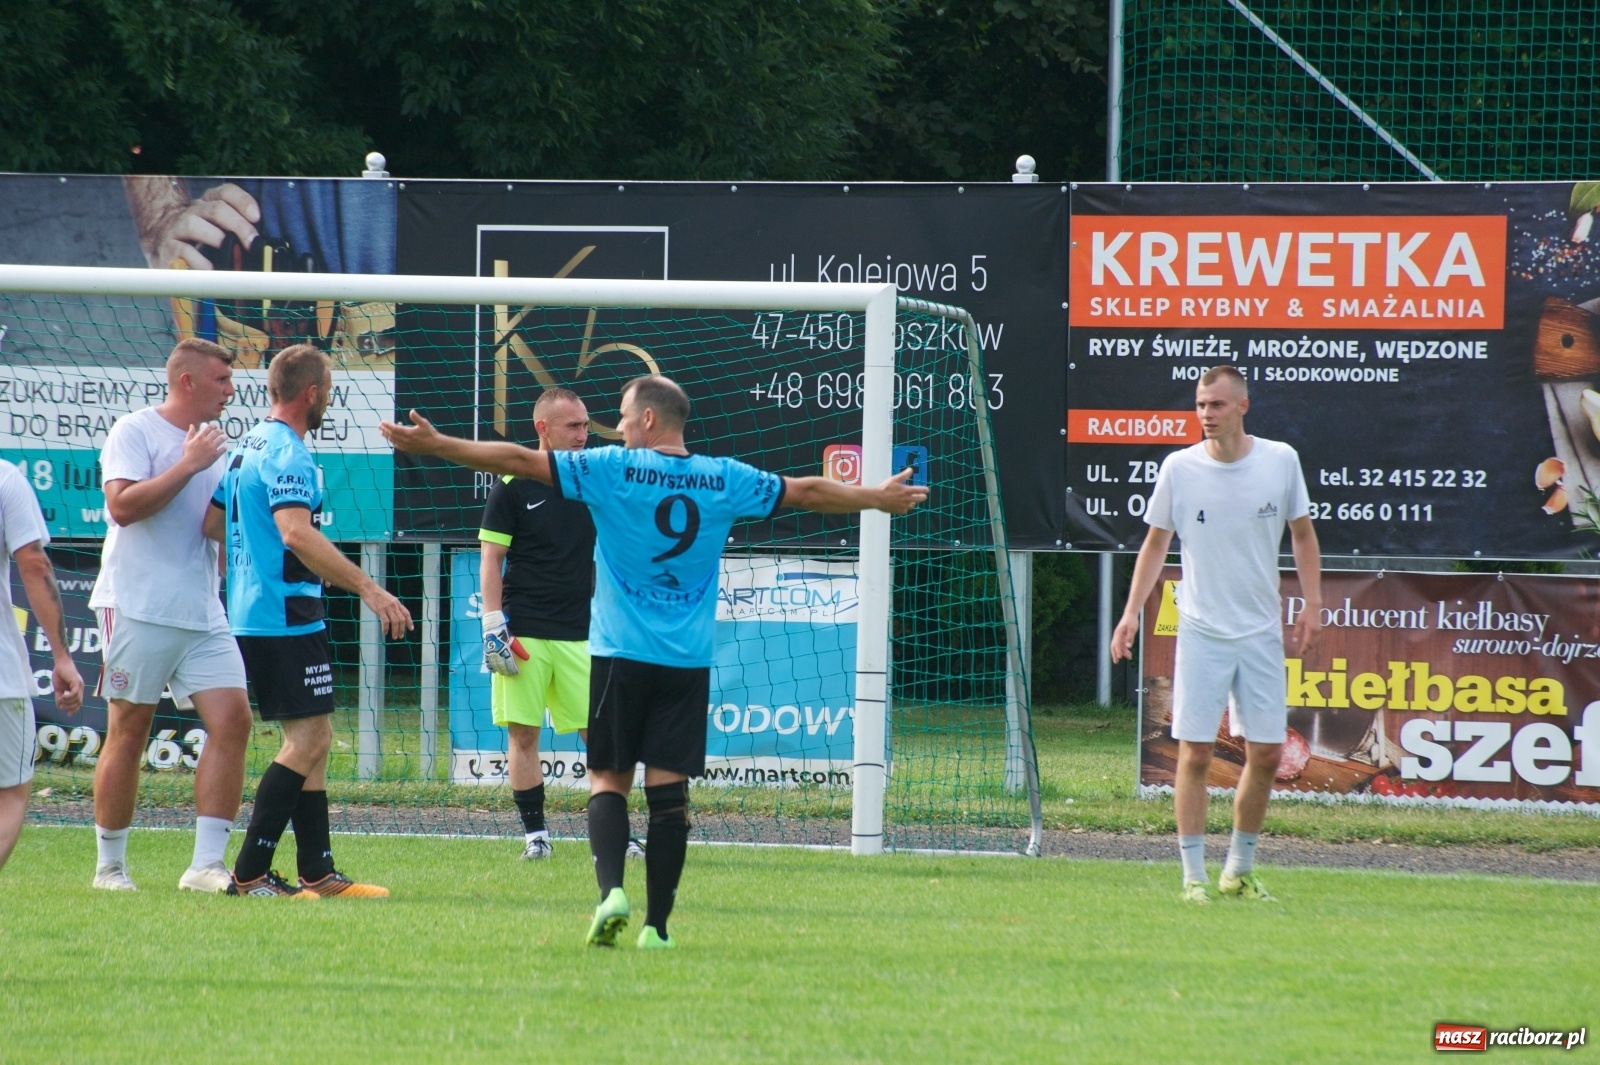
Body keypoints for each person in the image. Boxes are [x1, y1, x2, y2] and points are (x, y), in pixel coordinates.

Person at [381, 375, 928, 949]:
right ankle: (657, 928)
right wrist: (875, 497)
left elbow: (519, 456)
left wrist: (437, 443)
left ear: (647, 420)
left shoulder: (613, 470)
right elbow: (808, 492)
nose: (613, 428)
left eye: (620, 415)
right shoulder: (724, 477)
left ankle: (610, 892)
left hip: (619, 655)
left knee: (607, 780)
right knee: (669, 795)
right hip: (685, 662)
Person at [204, 344, 413, 898]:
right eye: (330, 389)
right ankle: (248, 873)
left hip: (259, 608)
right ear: (312, 394)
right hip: (284, 615)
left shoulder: (247, 445)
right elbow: (296, 531)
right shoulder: (290, 452)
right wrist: (369, 587)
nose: (330, 399)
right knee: (309, 738)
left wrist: (250, 570)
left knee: (312, 738)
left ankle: (317, 872)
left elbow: (212, 522)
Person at [1110, 365, 1322, 904]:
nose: (1206, 414)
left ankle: (1238, 870)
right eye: (1201, 404)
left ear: (1242, 407)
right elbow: (1155, 543)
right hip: (1202, 630)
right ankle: (1193, 878)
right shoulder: (1180, 469)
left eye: (1217, 405)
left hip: (1259, 632)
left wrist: (1313, 603)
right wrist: (1132, 611)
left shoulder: (1280, 461)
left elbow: (1302, 534)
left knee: (1268, 753)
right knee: (1197, 754)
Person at [88, 338, 255, 893]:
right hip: (138, 606)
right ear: (187, 381)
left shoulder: (218, 446)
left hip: (202, 610)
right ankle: (109, 868)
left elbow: (210, 525)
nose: (230, 392)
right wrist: (188, 464)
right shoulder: (134, 431)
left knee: (233, 722)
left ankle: (205, 866)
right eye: (221, 381)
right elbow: (123, 508)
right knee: (129, 730)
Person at [477, 387, 598, 861]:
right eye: (573, 426)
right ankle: (536, 837)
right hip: (524, 632)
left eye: (587, 425)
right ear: (542, 429)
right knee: (523, 735)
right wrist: (493, 624)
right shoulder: (512, 483)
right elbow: (491, 560)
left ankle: (614, 833)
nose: (583, 435)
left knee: (600, 737)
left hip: (581, 632)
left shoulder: (593, 478)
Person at [0, 468, 85, 877]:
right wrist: (63, 657)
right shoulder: (5, 478)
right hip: (1, 681)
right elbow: (34, 563)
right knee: (10, 797)